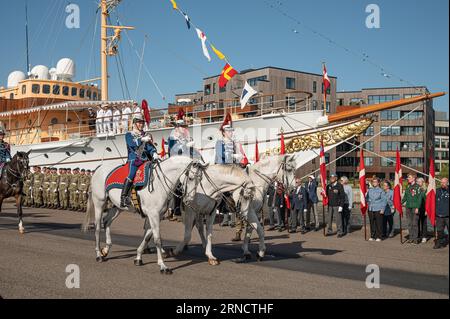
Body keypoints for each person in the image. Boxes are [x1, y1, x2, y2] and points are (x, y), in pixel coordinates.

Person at [120, 114, 158, 208]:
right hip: (134, 159)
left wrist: (154, 153)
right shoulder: (129, 134)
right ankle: (123, 197)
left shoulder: (145, 135)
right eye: (139, 122)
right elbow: (132, 144)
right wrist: (141, 139)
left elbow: (149, 147)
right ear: (134, 123)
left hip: (145, 159)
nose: (141, 124)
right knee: (132, 174)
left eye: (142, 122)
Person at [402, 174, 422, 244]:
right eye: (408, 177)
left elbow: (419, 198)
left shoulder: (418, 187)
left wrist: (417, 207)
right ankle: (411, 238)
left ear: (413, 178)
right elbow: (405, 197)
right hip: (408, 207)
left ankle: (415, 239)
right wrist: (400, 203)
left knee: (415, 224)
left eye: (409, 177)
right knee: (409, 223)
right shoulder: (408, 186)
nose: (408, 178)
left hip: (415, 207)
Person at [366, 176, 387, 242]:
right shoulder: (370, 190)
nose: (374, 183)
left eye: (375, 182)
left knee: (379, 223)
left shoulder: (381, 191)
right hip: (371, 208)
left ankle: (379, 236)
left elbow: (384, 201)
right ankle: (373, 236)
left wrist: (382, 209)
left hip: (378, 208)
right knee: (372, 223)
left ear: (378, 183)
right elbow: (367, 199)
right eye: (373, 182)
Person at [434, 178, 449, 249]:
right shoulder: (437, 191)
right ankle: (439, 243)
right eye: (441, 182)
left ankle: (446, 241)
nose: (442, 184)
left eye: (444, 182)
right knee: (439, 230)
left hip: (448, 215)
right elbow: (433, 202)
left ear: (447, 183)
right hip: (439, 215)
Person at [416, 177, 428, 243]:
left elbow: (427, 201)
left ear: (422, 182)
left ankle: (424, 236)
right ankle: (417, 236)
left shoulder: (425, 190)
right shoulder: (416, 189)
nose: (418, 183)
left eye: (419, 182)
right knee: (417, 222)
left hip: (423, 208)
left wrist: (426, 210)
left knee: (424, 223)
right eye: (417, 181)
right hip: (417, 209)